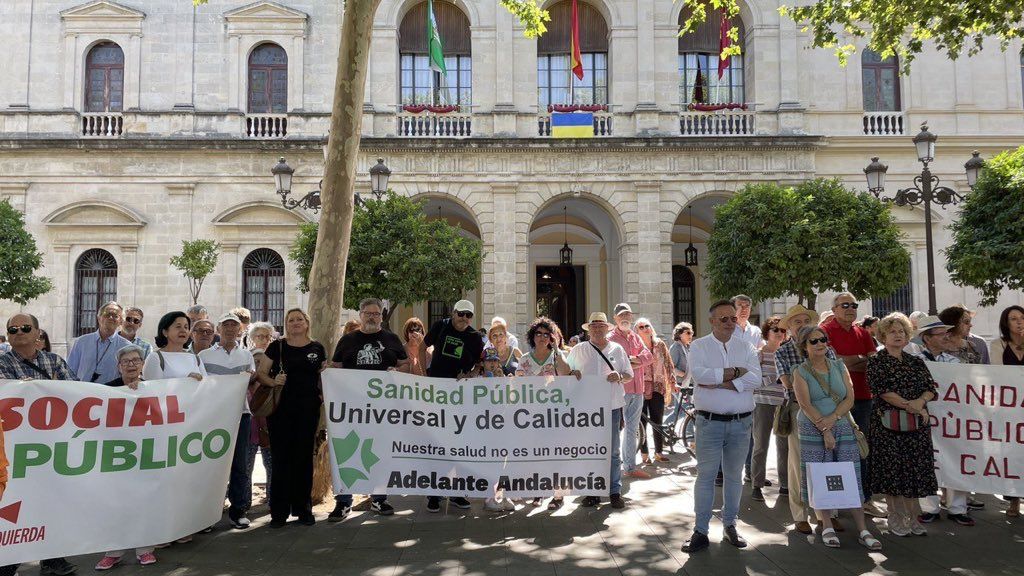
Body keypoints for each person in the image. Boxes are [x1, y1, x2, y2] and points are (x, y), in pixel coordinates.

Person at [0, 313, 78, 576]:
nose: (18, 332)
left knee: (51, 500)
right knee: (15, 502)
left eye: (25, 327)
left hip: (51, 447)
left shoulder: (54, 361)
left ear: (37, 333)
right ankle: (9, 560)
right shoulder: (1, 363)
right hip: (15, 450)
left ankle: (53, 558)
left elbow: (77, 393)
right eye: (12, 329)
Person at [791, 325, 882, 550]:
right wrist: (824, 429)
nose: (820, 344)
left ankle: (862, 529)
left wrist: (833, 420)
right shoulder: (799, 371)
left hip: (841, 424)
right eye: (814, 341)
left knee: (851, 474)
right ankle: (827, 525)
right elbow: (805, 404)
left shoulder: (839, 366)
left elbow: (849, 398)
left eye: (823, 339)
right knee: (820, 475)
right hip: (813, 427)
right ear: (804, 346)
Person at [681, 300, 760, 553]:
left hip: (741, 422)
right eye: (723, 319)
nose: (729, 323)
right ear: (712, 321)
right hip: (709, 423)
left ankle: (730, 525)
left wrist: (721, 380)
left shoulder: (746, 346)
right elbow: (700, 377)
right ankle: (700, 530)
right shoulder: (699, 346)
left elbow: (756, 378)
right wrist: (737, 373)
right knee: (705, 477)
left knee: (734, 477)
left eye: (732, 319)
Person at [329, 298, 406, 521]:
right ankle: (344, 502)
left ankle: (379, 499)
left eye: (376, 314)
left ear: (381, 316)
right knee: (348, 451)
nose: (372, 317)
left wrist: (397, 372)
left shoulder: (391, 339)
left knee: (380, 452)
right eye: (368, 313)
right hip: (353, 411)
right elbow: (337, 369)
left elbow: (405, 364)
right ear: (360, 315)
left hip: (382, 412)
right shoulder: (348, 340)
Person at [866, 313, 939, 537]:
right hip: (888, 426)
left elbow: (930, 388)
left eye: (901, 331)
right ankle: (895, 517)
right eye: (892, 331)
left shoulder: (916, 361)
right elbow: (884, 392)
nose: (897, 335)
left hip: (916, 426)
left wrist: (920, 402)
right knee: (893, 472)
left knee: (914, 472)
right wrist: (912, 405)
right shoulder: (877, 361)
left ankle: (913, 516)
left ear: (908, 335)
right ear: (882, 335)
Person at [257, 308, 326, 527]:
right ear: (286, 324)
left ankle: (303, 509)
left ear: (307, 323)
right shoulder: (276, 346)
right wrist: (273, 381)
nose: (295, 323)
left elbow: (323, 377)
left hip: (307, 410)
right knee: (280, 460)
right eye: (291, 320)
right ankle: (279, 512)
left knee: (304, 459)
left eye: (299, 319)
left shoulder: (317, 348)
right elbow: (261, 373)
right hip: (280, 411)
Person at [94, 345, 158, 569]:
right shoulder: (106, 389)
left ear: (142, 364)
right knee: (115, 503)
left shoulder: (155, 388)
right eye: (126, 361)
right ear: (118, 366)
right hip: (116, 456)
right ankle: (113, 551)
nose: (131, 364)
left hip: (146, 454)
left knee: (144, 501)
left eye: (136, 360)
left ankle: (145, 550)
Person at [775, 304, 835, 534]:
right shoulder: (782, 351)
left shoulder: (825, 347)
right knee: (798, 463)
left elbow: (838, 377)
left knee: (828, 461)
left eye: (805, 321)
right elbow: (789, 383)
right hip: (798, 410)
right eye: (796, 322)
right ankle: (800, 514)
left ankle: (826, 513)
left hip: (829, 411)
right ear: (789, 328)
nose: (802, 325)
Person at [420, 300, 483, 512]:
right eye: (461, 314)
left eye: (469, 315)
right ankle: (434, 494)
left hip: (459, 397)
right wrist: (422, 374)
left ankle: (457, 492)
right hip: (436, 394)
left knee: (458, 443)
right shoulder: (441, 326)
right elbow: (423, 346)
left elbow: (480, 362)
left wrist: (471, 373)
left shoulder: (475, 337)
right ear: (454, 312)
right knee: (436, 443)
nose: (464, 318)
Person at [911, 315, 974, 527]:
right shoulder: (916, 362)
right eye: (939, 334)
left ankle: (958, 507)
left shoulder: (954, 362)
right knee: (926, 460)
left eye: (945, 332)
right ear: (926, 339)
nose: (945, 336)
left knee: (955, 458)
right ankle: (930, 507)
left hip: (951, 420)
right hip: (926, 418)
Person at [820, 292, 880, 516]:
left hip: (863, 398)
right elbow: (831, 363)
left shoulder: (863, 332)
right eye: (844, 305)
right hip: (834, 401)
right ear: (834, 309)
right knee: (833, 448)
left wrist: (851, 360)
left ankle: (864, 498)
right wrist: (857, 359)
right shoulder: (825, 332)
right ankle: (835, 500)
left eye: (853, 305)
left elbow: (872, 362)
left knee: (862, 448)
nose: (850, 308)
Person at [566, 312, 633, 509]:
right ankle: (592, 491)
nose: (597, 329)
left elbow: (629, 374)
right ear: (589, 329)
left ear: (607, 328)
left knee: (612, 451)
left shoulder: (618, 349)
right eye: (593, 325)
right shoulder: (579, 349)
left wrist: (619, 376)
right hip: (586, 409)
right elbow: (564, 373)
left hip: (611, 406)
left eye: (600, 325)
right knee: (589, 450)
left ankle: (614, 491)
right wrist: (572, 373)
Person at [199, 313, 257, 530]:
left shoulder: (246, 356)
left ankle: (238, 511)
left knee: (240, 465)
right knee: (212, 465)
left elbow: (249, 383)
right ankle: (207, 515)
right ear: (218, 328)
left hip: (240, 414)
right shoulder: (204, 356)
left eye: (234, 325)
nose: (230, 329)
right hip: (213, 416)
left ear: (240, 330)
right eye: (226, 325)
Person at [517, 316, 577, 509]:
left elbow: (567, 373)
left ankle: (558, 495)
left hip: (555, 415)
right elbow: (517, 387)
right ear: (532, 336)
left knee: (556, 454)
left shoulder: (556, 357)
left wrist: (557, 350)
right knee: (536, 455)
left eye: (546, 334)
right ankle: (538, 491)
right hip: (531, 416)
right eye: (538, 334)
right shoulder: (525, 360)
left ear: (552, 337)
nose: (542, 337)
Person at [608, 303, 654, 480]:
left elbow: (649, 356)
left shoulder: (635, 336)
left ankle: (630, 466)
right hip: (621, 389)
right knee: (616, 429)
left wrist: (632, 360)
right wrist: (633, 362)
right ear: (615, 318)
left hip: (638, 389)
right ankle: (614, 465)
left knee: (632, 428)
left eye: (627, 314)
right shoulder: (611, 338)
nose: (625, 318)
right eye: (621, 315)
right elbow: (614, 362)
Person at [990, 305, 1024, 517]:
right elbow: (997, 372)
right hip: (1010, 409)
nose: (1019, 322)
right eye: (1014, 319)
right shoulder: (998, 344)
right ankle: (1014, 500)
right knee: (1012, 454)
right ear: (1006, 323)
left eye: (1022, 318)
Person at [750, 316, 788, 502]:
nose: (780, 333)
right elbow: (753, 380)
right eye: (776, 330)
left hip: (784, 403)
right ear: (767, 333)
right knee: (761, 444)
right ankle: (756, 484)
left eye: (783, 330)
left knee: (784, 446)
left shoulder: (788, 353)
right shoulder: (759, 354)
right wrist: (776, 379)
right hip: (763, 402)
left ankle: (786, 484)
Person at [634, 318, 673, 465]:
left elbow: (669, 364)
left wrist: (672, 381)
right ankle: (644, 454)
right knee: (642, 422)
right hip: (640, 387)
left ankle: (659, 452)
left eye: (647, 326)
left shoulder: (660, 344)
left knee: (658, 419)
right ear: (636, 331)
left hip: (657, 385)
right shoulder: (635, 346)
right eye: (641, 327)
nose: (645, 328)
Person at [246, 322, 276, 505]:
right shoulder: (244, 362)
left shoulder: (275, 362)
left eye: (267, 336)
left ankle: (274, 500)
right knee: (246, 467)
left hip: (269, 426)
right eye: (259, 336)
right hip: (249, 429)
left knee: (271, 466)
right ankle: (244, 502)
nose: (264, 340)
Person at [66, 301, 131, 383]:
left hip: (109, 393)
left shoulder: (126, 346)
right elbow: (69, 372)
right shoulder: (81, 342)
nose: (111, 318)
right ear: (99, 318)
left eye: (115, 316)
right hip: (83, 393)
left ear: (120, 322)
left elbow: (129, 376)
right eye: (107, 314)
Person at [142, 312, 207, 382]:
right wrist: (186, 381)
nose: (183, 330)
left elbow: (206, 385)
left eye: (186, 327)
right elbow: (152, 389)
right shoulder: (155, 357)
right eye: (178, 327)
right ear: (165, 332)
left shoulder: (195, 358)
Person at [664, 322, 694, 429]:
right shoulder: (676, 347)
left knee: (680, 411)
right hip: (679, 384)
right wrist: (684, 374)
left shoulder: (688, 347)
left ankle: (664, 430)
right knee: (687, 410)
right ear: (680, 334)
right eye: (688, 333)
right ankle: (691, 438)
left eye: (692, 332)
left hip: (687, 384)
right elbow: (671, 367)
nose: (691, 335)